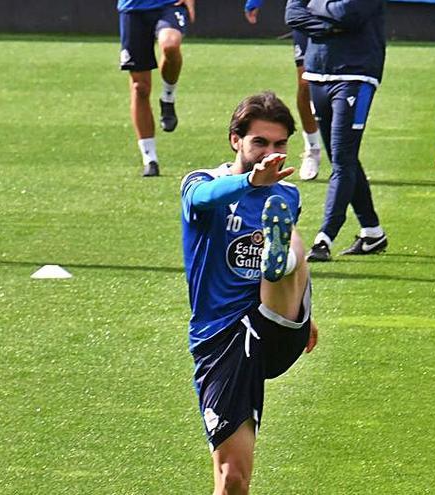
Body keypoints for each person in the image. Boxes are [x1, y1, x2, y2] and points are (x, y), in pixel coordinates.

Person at [180, 92, 318, 494]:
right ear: (235, 140)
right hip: (221, 339)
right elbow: (200, 199)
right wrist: (248, 182)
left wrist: (307, 315)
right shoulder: (202, 183)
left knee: (289, 235)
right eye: (260, 142)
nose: (270, 154)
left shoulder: (286, 194)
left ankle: (285, 270)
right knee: (233, 478)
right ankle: (284, 271)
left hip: (275, 321)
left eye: (279, 145)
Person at [286, 0, 389, 262]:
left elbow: (350, 14)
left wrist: (316, 6)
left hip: (356, 74)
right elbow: (293, 14)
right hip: (318, 72)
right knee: (343, 157)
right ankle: (372, 231)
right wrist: (331, 25)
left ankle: (324, 237)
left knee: (342, 159)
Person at [242, 0, 323, 180]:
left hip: (342, 15)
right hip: (306, 14)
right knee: (305, 82)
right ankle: (312, 148)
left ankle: (343, 156)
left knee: (340, 86)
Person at [117, 0, 195, 177]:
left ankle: (168, 95)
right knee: (139, 87)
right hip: (133, 8)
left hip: (169, 5)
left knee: (170, 45)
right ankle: (149, 158)